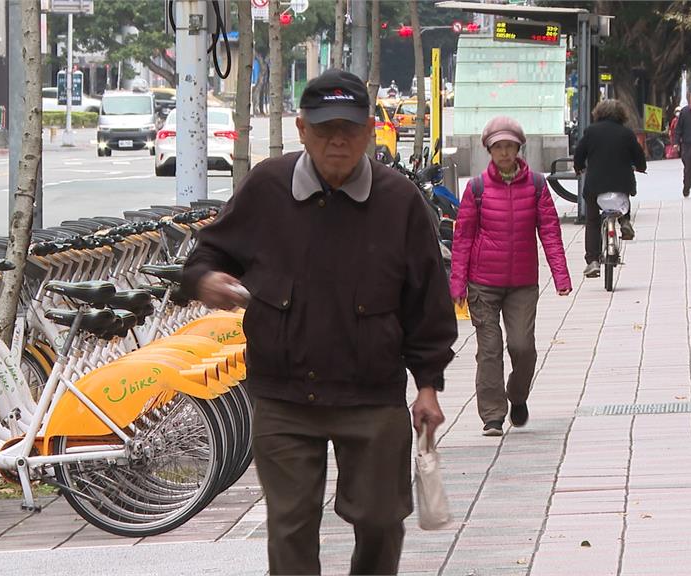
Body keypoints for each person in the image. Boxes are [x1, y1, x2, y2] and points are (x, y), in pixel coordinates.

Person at [181, 69, 458, 575]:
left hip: (371, 395)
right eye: (325, 128)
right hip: (284, 396)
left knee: (381, 519)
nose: (337, 140)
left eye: (349, 129)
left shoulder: (400, 201)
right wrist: (206, 280)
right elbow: (208, 253)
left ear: (370, 130)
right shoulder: (267, 187)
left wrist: (428, 386)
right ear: (302, 129)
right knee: (291, 525)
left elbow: (428, 303)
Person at [449, 116, 572, 437]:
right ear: (489, 150)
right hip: (482, 283)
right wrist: (457, 282)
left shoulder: (536, 186)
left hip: (522, 284)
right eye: (498, 147)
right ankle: (492, 415)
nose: (504, 152)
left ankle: (517, 395)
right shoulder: (476, 188)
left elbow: (550, 231)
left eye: (509, 146)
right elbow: (462, 238)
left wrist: (561, 276)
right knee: (489, 350)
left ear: (518, 149)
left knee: (522, 347)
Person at [573, 99, 648, 278]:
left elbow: (579, 153)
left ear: (598, 113)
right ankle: (625, 221)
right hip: (621, 182)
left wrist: (579, 167)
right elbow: (639, 156)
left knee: (592, 221)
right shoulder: (626, 133)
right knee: (623, 197)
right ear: (621, 114)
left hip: (595, 185)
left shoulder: (591, 132)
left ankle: (592, 261)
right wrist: (640, 167)